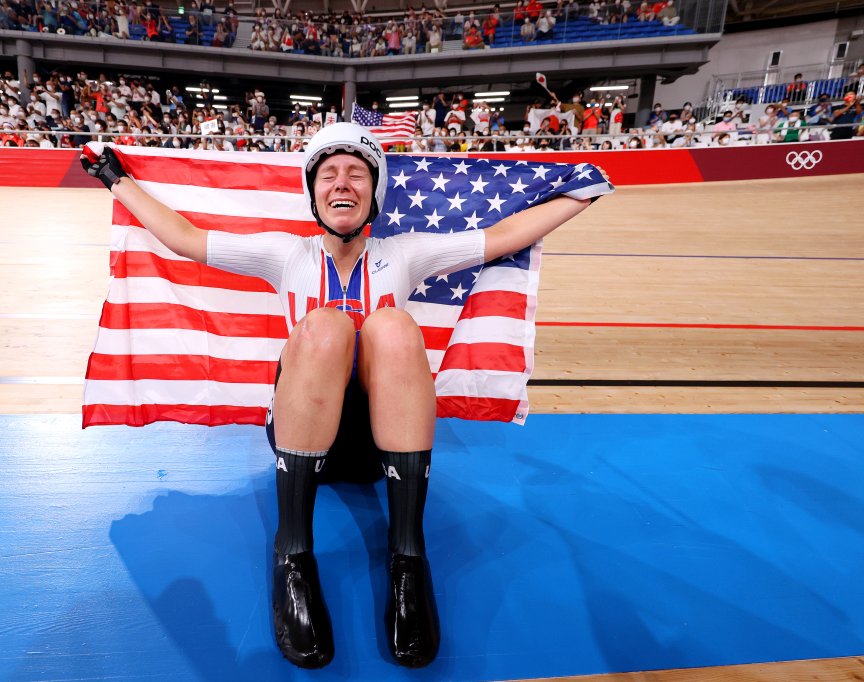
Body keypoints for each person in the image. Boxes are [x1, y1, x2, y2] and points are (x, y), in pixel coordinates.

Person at [78, 122, 603, 669]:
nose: (341, 182)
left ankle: (408, 560)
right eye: (328, 174)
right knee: (326, 327)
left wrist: (581, 193)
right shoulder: (286, 255)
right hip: (304, 438)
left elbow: (503, 237)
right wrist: (118, 181)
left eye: (355, 172)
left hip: (379, 449)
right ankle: (293, 555)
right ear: (313, 194)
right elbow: (185, 238)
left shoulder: (405, 254)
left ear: (373, 192)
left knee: (394, 327)